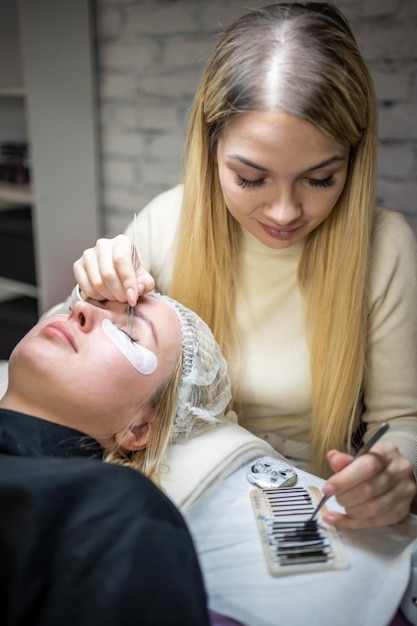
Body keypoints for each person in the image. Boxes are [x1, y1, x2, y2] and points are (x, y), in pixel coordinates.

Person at [69, 2, 417, 530]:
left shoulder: (384, 248)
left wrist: (391, 471)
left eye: (321, 179)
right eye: (251, 179)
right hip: (178, 508)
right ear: (211, 151)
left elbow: (404, 424)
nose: (285, 212)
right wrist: (92, 299)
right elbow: (60, 373)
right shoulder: (168, 221)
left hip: (313, 518)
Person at [0, 291, 231, 625]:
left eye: (129, 334)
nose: (79, 309)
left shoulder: (112, 506)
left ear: (138, 428)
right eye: (89, 303)